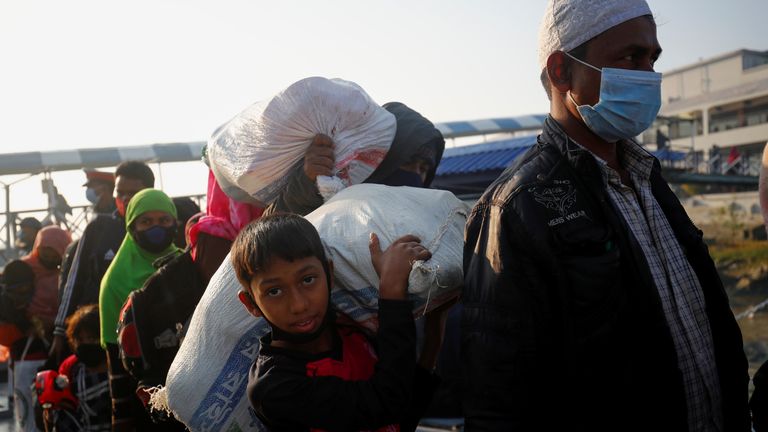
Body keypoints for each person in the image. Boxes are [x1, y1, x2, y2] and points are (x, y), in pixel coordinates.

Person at [461, 1, 750, 431]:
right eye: (632, 57)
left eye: (653, 59)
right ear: (562, 72)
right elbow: (498, 402)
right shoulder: (515, 209)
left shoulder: (649, 179)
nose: (650, 76)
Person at [232, 214, 442, 431]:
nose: (299, 305)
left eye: (308, 280)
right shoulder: (273, 387)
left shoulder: (352, 330)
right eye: (274, 291)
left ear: (329, 275)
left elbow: (403, 409)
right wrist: (391, 288)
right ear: (250, 303)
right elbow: (387, 403)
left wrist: (435, 333)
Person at [51, 161, 155, 363]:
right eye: (120, 193)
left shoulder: (164, 228)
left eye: (132, 193)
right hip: (102, 336)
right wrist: (60, 331)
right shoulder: (98, 229)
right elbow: (73, 281)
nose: (125, 199)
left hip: (149, 333)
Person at [265, 101, 445, 216]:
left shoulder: (434, 213)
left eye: (423, 169)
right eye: (407, 161)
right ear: (383, 158)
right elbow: (271, 233)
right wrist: (307, 182)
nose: (415, 174)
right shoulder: (331, 188)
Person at [99, 188, 180, 431]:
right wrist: (120, 414)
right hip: (143, 396)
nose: (157, 228)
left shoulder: (187, 264)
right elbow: (114, 353)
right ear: (132, 227)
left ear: (175, 224)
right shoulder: (114, 281)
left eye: (164, 220)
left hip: (190, 385)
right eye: (146, 221)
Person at [44, 304, 110, 432]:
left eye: (91, 338)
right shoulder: (72, 368)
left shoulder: (117, 366)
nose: (86, 344)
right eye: (80, 339)